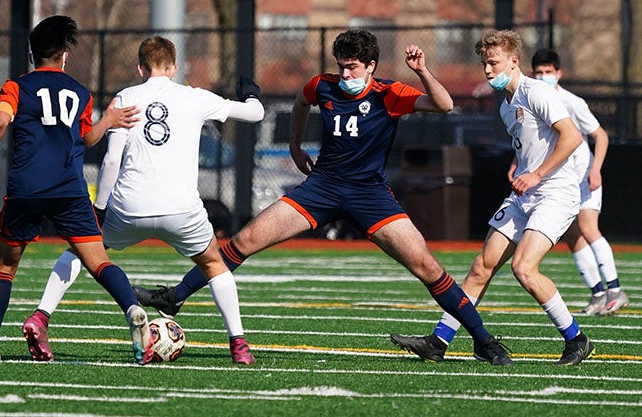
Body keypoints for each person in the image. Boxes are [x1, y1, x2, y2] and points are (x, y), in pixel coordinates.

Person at [133, 28, 514, 366]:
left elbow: (445, 105)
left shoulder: (389, 93)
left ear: (370, 66)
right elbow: (300, 103)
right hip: (323, 187)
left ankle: (483, 341)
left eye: (352, 67)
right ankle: (175, 296)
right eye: (341, 66)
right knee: (245, 239)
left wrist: (421, 71)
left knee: (427, 268)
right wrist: (296, 147)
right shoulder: (323, 85)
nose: (344, 74)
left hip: (370, 194)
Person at [21, 35, 264, 365]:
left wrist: (100, 208)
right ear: (174, 68)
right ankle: (239, 346)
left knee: (79, 249)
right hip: (182, 208)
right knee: (213, 264)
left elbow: (110, 161)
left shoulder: (126, 97)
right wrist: (250, 93)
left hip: (128, 206)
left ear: (140, 68)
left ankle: (41, 316)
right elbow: (255, 113)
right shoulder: (194, 97)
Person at [390, 30, 595, 366]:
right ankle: (439, 342)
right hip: (525, 194)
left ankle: (577, 340)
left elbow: (571, 137)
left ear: (514, 62)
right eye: (484, 63)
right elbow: (531, 145)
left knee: (524, 269)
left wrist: (537, 174)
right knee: (481, 268)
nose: (487, 70)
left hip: (555, 193)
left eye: (493, 63)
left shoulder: (536, 92)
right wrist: (522, 168)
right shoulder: (506, 106)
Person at [0, 15, 153, 365]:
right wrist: (109, 121)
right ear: (64, 55)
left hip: (27, 188)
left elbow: (2, 119)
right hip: (69, 190)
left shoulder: (16, 87)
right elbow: (88, 138)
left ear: (32, 54)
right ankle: (132, 310)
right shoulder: (81, 92)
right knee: (98, 261)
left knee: (5, 266)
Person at [522, 49, 628, 316]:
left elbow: (601, 136)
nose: (543, 76)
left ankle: (616, 290)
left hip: (583, 175)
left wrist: (596, 169)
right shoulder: (532, 99)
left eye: (548, 71)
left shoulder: (572, 102)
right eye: (538, 72)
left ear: (559, 74)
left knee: (588, 228)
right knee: (571, 235)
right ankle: (598, 294)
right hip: (561, 179)